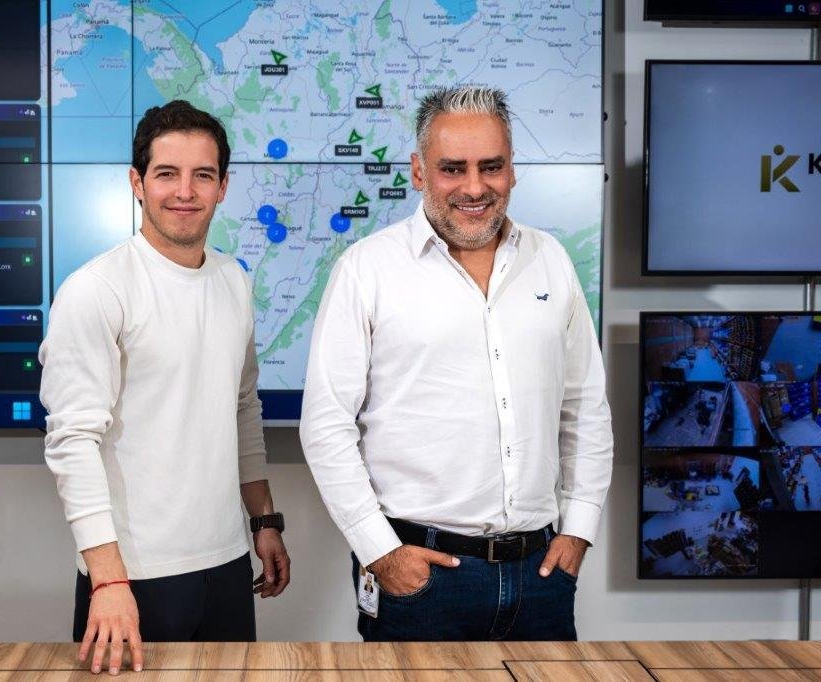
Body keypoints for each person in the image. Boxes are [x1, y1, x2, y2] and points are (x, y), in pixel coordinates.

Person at [300, 86, 613, 642]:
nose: (474, 187)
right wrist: (381, 552)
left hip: (541, 575)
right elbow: (326, 425)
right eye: (452, 169)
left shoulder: (551, 260)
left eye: (491, 166)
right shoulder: (366, 270)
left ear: (512, 171)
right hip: (421, 580)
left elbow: (584, 405)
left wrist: (580, 529)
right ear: (418, 171)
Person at [40, 100, 290, 675]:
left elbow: (242, 409)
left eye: (202, 175)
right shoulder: (97, 289)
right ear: (137, 183)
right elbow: (72, 441)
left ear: (223, 187)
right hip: (134, 574)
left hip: (227, 564)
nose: (184, 191)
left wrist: (264, 521)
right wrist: (108, 580)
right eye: (166, 174)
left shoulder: (233, 281)